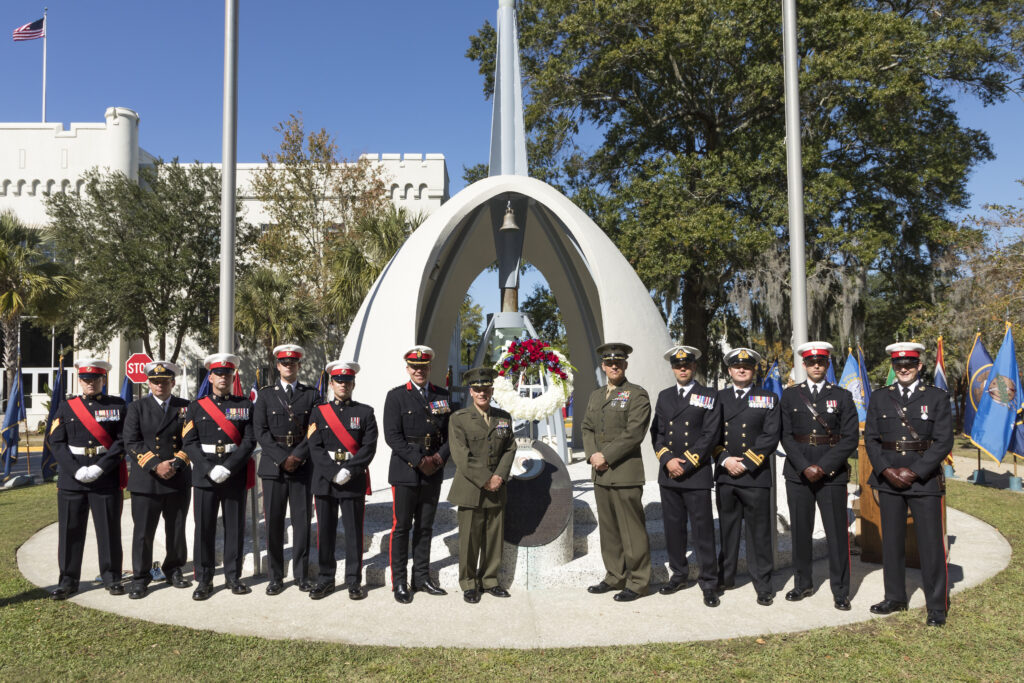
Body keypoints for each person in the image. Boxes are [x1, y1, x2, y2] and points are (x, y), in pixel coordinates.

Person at [865, 342, 954, 627]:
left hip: (923, 479)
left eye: (909, 365)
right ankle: (895, 597)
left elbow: (943, 442)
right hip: (889, 479)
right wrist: (886, 470)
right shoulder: (880, 398)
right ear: (893, 367)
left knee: (930, 544)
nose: (904, 369)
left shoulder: (937, 397)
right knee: (891, 541)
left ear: (919, 367)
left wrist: (915, 472)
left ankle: (936, 606)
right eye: (898, 365)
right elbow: (872, 439)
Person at [780, 341, 858, 611]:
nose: (816, 365)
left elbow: (850, 438)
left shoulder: (843, 396)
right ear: (803, 365)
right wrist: (804, 466)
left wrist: (823, 467)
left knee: (837, 533)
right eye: (811, 362)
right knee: (801, 531)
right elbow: (785, 436)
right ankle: (803, 584)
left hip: (831, 473)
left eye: (821, 362)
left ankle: (840, 590)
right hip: (798, 473)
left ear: (827, 365)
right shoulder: (790, 396)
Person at [48, 358, 127, 599]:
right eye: (85, 379)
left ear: (104, 379)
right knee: (70, 531)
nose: (90, 383)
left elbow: (123, 441)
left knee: (109, 530)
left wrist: (100, 467)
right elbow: (56, 441)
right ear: (80, 381)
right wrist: (75, 470)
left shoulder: (118, 406)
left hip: (105, 477)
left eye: (95, 379)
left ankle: (112, 578)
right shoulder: (66, 407)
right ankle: (68, 580)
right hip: (73, 479)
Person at [650, 345, 722, 607]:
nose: (682, 369)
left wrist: (688, 462)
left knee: (703, 530)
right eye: (678, 365)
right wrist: (668, 460)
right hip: (669, 474)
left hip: (696, 472)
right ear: (672, 368)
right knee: (673, 529)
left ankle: (709, 583)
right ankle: (679, 574)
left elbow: (710, 434)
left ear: (694, 367)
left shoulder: (708, 395)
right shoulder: (665, 396)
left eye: (687, 365)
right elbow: (656, 433)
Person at [582, 342, 652, 602]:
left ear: (625, 365)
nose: (614, 366)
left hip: (624, 473)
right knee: (609, 530)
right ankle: (615, 576)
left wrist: (605, 456)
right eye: (609, 363)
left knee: (631, 531)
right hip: (600, 474)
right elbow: (586, 427)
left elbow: (634, 433)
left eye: (618, 362)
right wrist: (592, 455)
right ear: (603, 366)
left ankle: (638, 582)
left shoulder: (637, 394)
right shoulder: (596, 395)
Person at [183, 353, 256, 600]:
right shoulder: (195, 407)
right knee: (204, 528)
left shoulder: (245, 405)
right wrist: (207, 468)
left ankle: (233, 577)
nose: (223, 378)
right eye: (218, 374)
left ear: (232, 376)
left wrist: (230, 467)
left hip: (233, 474)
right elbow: (189, 442)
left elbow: (249, 440)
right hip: (205, 476)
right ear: (210, 376)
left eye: (227, 374)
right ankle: (204, 579)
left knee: (235, 528)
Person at [383, 345, 452, 603]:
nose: (419, 371)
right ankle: (400, 582)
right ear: (407, 368)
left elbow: (451, 435)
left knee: (425, 527)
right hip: (405, 471)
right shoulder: (396, 396)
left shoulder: (442, 396)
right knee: (401, 527)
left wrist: (438, 458)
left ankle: (421, 578)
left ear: (429, 368)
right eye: (414, 367)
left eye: (423, 367)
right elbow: (392, 436)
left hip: (433, 470)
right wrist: (418, 459)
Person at [714, 348, 781, 606]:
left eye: (747, 366)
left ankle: (763, 584)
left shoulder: (769, 398)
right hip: (726, 474)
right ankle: (726, 577)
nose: (742, 370)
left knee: (759, 533)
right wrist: (725, 459)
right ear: (729, 370)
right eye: (736, 366)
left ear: (754, 371)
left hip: (755, 476)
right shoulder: (717, 398)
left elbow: (770, 435)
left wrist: (748, 462)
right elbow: (709, 433)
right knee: (728, 529)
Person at [307, 360, 378, 600]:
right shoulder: (318, 412)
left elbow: (369, 447)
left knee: (354, 533)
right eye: (339, 381)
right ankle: (325, 579)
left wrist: (350, 470)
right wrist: (332, 471)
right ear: (331, 383)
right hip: (325, 480)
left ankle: (353, 581)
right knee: (325, 532)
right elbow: (314, 446)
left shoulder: (365, 412)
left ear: (353, 384)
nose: (343, 385)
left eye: (347, 381)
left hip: (353, 479)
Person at [447, 367, 517, 604]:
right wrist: (486, 478)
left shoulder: (503, 417)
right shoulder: (459, 419)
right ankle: (468, 583)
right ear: (471, 391)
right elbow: (461, 454)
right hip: (471, 488)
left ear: (492, 390)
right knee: (469, 539)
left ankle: (490, 580)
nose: (481, 393)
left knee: (493, 537)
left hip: (497, 487)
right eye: (477, 389)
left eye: (485, 389)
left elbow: (510, 448)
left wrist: (499, 476)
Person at [123, 361, 192, 599]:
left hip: (177, 477)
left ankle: (173, 569)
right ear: (148, 383)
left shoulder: (186, 407)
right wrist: (155, 465)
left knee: (176, 529)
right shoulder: (136, 407)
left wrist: (177, 463)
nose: (160, 385)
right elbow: (131, 441)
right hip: (146, 479)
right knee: (143, 532)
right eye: (155, 381)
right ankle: (141, 577)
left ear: (173, 383)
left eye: (165, 381)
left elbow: (191, 439)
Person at [254, 344, 318, 595]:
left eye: (293, 363)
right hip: (273, 466)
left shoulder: (311, 395)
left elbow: (315, 429)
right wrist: (283, 458)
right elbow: (260, 431)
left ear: (299, 365)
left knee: (302, 523)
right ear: (278, 366)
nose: (288, 366)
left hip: (302, 467)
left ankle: (301, 575)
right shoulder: (266, 395)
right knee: (274, 523)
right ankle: (276, 576)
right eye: (284, 362)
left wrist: (297, 456)